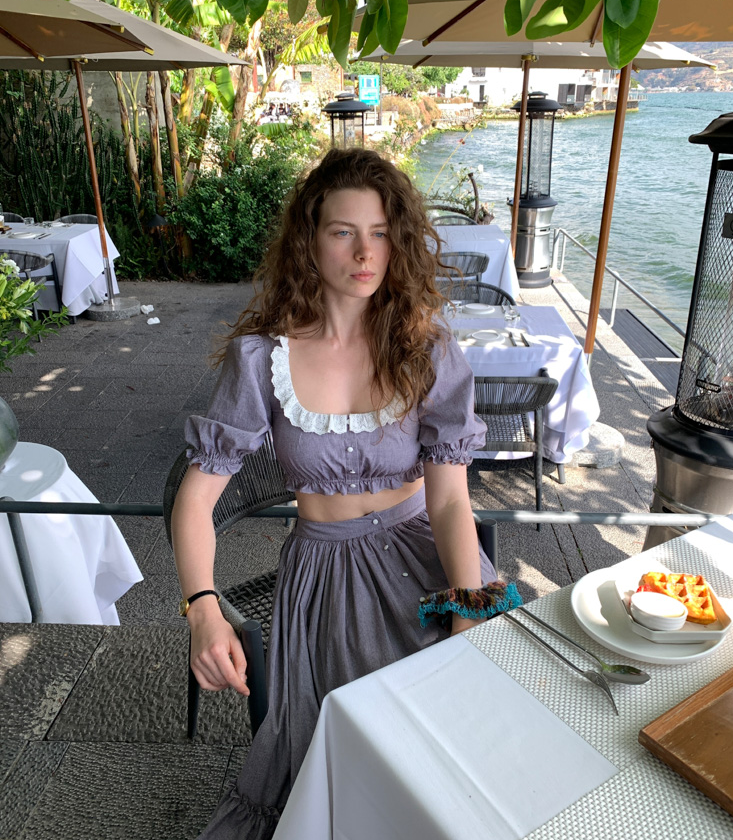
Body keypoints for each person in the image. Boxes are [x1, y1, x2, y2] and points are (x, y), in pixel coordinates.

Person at [171, 147, 520, 839]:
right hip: (327, 580)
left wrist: (468, 607)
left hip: (433, 564)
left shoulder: (427, 349)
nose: (366, 253)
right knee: (360, 758)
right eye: (343, 232)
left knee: (475, 746)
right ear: (309, 239)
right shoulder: (261, 358)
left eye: (381, 232)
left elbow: (451, 501)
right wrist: (202, 608)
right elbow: (196, 498)